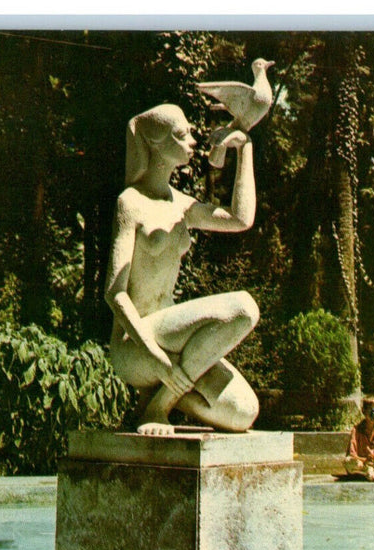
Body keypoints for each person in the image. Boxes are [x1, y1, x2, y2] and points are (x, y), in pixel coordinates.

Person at [105, 103, 262, 436]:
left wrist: (244, 148)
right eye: (183, 134)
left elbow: (241, 219)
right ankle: (161, 402)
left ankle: (160, 399)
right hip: (136, 345)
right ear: (156, 144)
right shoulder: (130, 203)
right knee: (244, 308)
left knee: (244, 412)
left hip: (174, 339)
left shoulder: (182, 205)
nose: (193, 140)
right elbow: (115, 294)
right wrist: (158, 361)